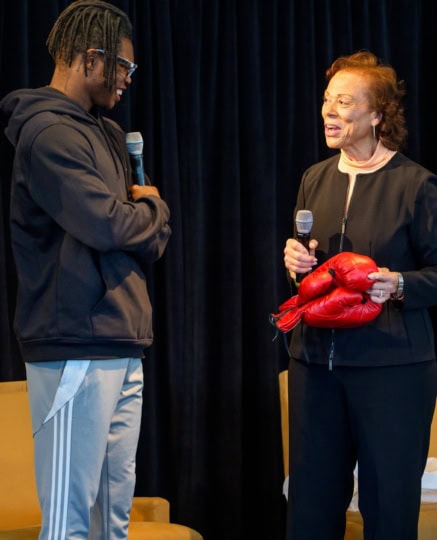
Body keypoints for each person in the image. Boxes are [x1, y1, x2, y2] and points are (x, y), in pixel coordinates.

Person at [0, 1, 171, 538]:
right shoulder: (49, 134)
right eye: (123, 66)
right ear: (88, 57)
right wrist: (155, 209)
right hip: (74, 345)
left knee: (110, 521)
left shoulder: (108, 134)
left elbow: (146, 236)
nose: (126, 80)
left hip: (122, 343)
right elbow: (110, 224)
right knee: (69, 523)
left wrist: (145, 217)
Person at [282, 50, 437, 540]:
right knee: (310, 505)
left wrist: (401, 285)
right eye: (327, 100)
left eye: (344, 102)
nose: (329, 111)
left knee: (389, 507)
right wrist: (297, 268)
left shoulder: (416, 185)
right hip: (317, 367)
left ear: (376, 115)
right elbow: (312, 280)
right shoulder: (315, 179)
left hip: (393, 370)